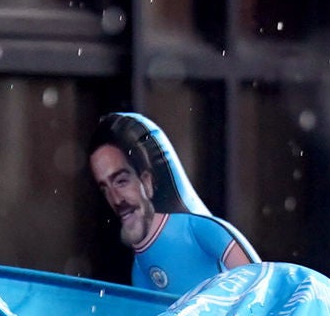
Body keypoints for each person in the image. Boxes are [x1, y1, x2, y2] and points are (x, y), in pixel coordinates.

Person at [91, 112, 257, 296]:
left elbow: (261, 286)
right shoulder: (141, 264)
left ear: (146, 180)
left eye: (121, 181)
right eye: (105, 188)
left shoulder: (197, 230)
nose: (115, 199)